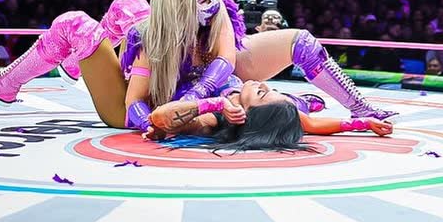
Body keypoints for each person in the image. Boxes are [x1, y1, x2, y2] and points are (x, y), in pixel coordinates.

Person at [0, 0, 394, 137]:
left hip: (195, 92)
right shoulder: (155, 39)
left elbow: (226, 61)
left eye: (208, 0)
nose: (205, 10)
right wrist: (164, 118)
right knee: (100, 13)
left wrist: (357, 117)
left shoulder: (216, 17)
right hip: (149, 100)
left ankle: (360, 99)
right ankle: (18, 79)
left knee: (301, 41)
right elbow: (139, 108)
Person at [142, 79, 394, 147]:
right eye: (268, 89)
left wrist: (216, 103)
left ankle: (303, 101)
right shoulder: (278, 109)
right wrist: (364, 123)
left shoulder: (214, 119)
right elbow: (313, 125)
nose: (262, 83)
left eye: (261, 93)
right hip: (288, 104)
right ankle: (302, 100)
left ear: (246, 114)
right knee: (296, 105)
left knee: (296, 106)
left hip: (211, 89)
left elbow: (158, 117)